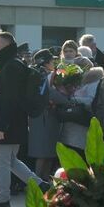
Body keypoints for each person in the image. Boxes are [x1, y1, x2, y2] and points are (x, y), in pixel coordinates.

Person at [0, 30, 47, 207]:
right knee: (10, 160)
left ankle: (3, 201)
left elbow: (10, 100)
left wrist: (2, 126)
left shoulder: (10, 66)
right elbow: (8, 95)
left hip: (8, 121)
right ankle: (42, 186)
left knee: (1, 161)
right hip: (14, 120)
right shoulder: (12, 64)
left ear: (6, 46)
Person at [28, 49, 62, 180]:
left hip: (47, 117)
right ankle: (37, 182)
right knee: (42, 153)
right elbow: (49, 93)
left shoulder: (40, 73)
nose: (53, 63)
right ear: (46, 62)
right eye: (51, 61)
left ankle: (44, 181)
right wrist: (70, 102)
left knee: (48, 154)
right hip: (42, 117)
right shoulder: (41, 75)